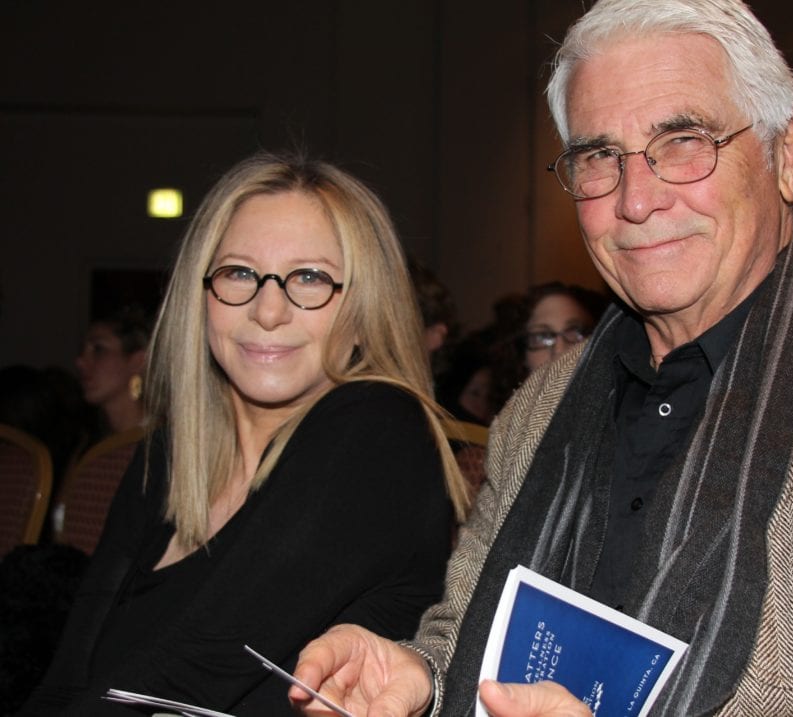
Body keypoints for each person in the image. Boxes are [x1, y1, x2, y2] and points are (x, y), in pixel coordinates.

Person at [292, 1, 793, 715]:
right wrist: (419, 675)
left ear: (787, 155)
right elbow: (477, 632)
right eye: (599, 156)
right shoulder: (542, 406)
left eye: (684, 141)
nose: (636, 200)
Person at [18, 152, 470, 715]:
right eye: (239, 273)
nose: (268, 309)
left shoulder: (378, 431)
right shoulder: (169, 453)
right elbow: (70, 671)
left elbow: (192, 670)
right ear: (201, 295)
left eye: (310, 277)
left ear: (362, 309)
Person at [489, 282, 607, 412]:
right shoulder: (504, 427)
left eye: (573, 332)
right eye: (542, 337)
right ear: (522, 355)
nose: (560, 349)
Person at [74, 304, 152, 438]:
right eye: (82, 350)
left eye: (99, 350)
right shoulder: (88, 444)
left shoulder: (159, 444)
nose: (80, 362)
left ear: (137, 361)